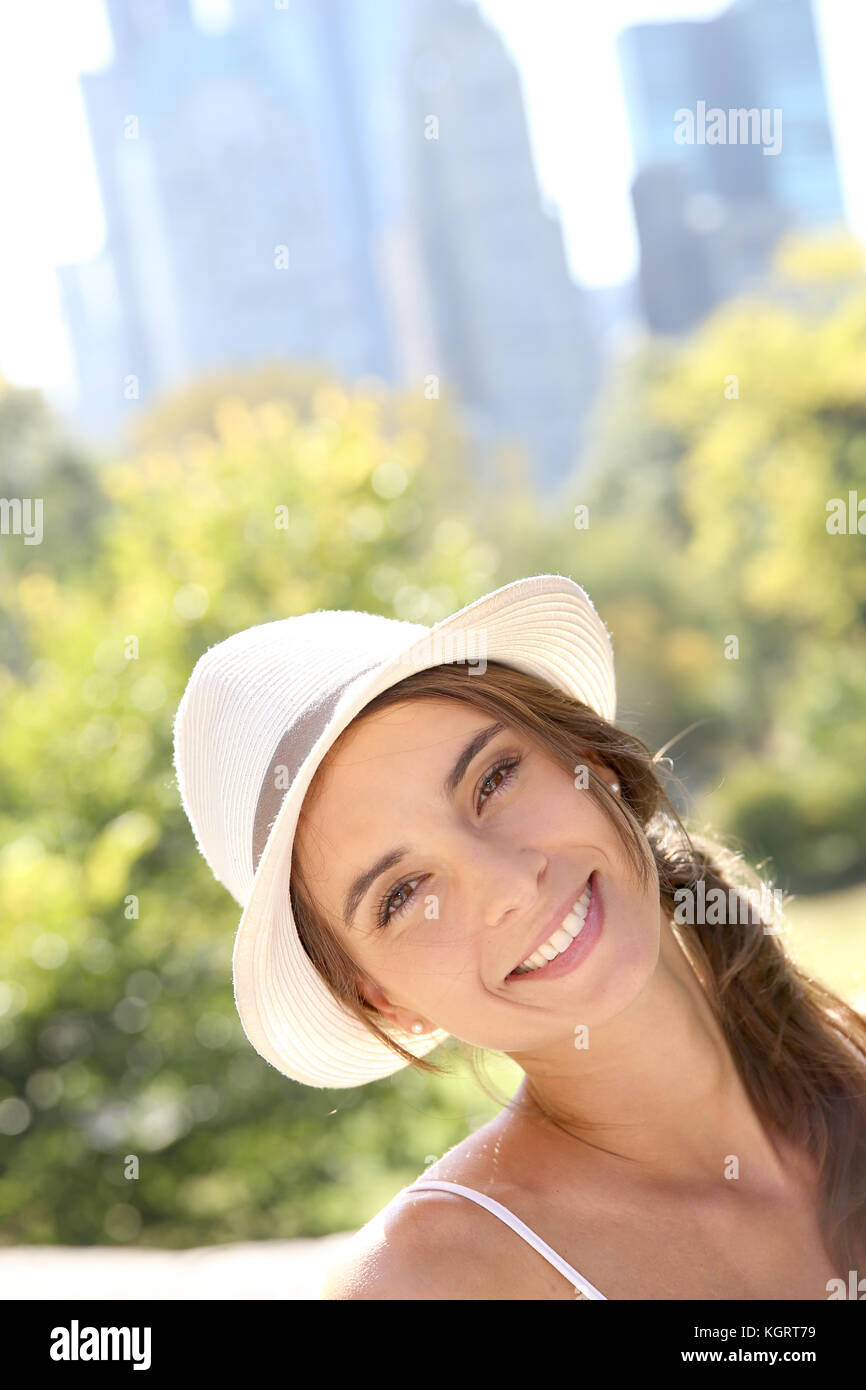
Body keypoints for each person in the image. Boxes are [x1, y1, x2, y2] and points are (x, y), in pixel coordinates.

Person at [172, 574, 866, 1300]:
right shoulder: (428, 1284)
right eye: (404, 893)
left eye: (494, 778)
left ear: (589, 759)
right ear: (382, 1001)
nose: (506, 884)